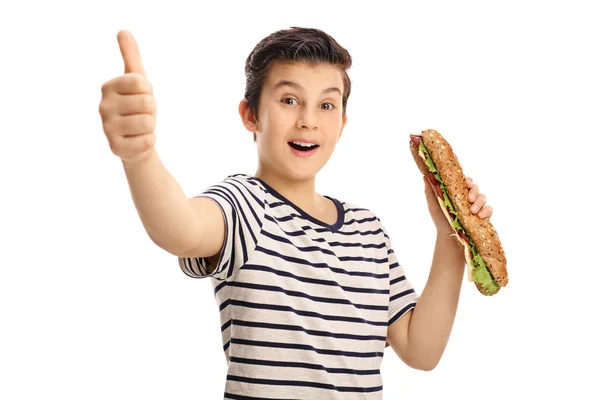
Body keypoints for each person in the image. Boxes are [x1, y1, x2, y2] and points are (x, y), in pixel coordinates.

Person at [99, 26, 493, 399]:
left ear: (342, 124)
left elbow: (420, 351)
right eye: (289, 100)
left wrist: (451, 238)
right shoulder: (244, 205)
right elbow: (179, 227)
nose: (308, 120)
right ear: (250, 114)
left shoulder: (368, 230)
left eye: (326, 105)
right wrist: (139, 155)